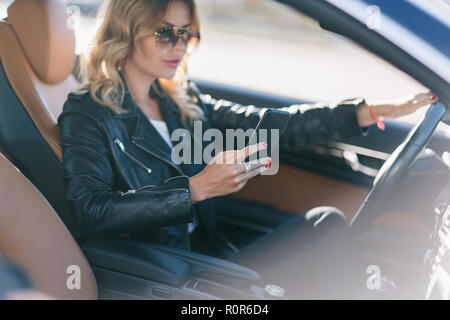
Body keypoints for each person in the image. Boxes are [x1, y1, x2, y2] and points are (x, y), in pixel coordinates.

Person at [57, 0, 436, 298]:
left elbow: (273, 126)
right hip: (168, 274)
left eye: (187, 34)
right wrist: (196, 189)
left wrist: (371, 112)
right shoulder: (87, 111)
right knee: (330, 228)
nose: (179, 45)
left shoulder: (182, 100)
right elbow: (91, 210)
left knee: (326, 224)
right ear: (127, 30)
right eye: (165, 33)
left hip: (208, 256)